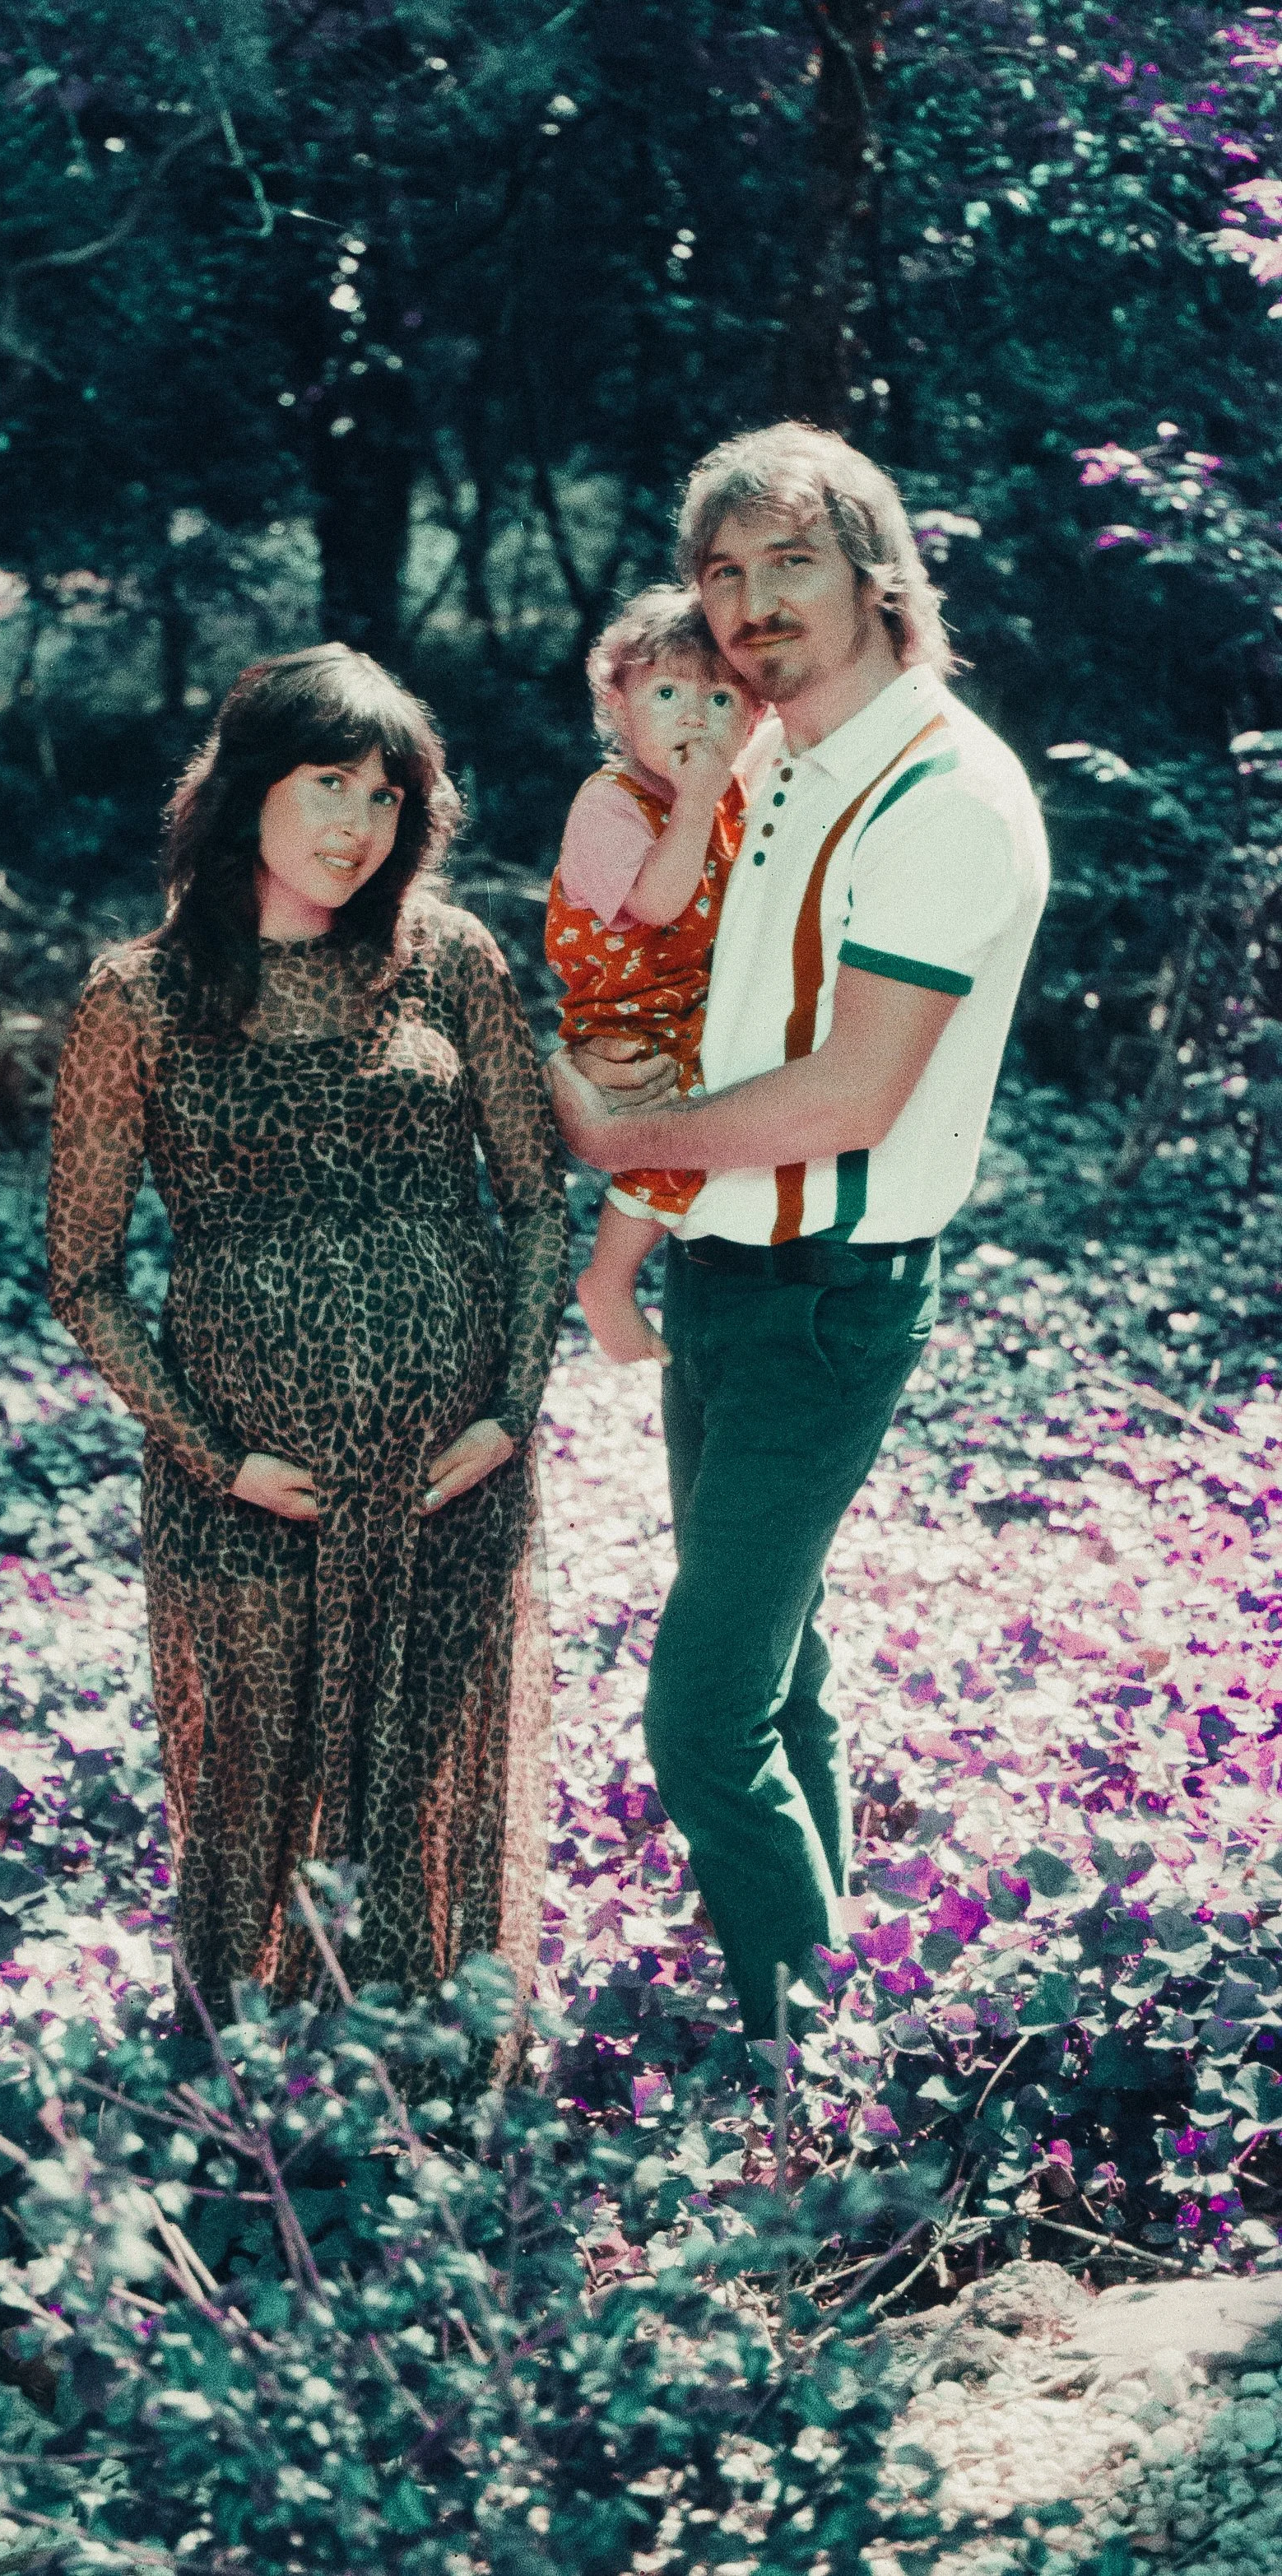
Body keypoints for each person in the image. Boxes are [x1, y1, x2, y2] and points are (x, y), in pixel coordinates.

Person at [548, 423, 1050, 2037]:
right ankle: (826, 2004)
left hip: (826, 1305)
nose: (750, 601)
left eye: (788, 562)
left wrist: (615, 1140)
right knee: (780, 1670)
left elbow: (843, 1094)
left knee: (698, 1718)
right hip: (723, 1276)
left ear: (874, 576)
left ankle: (806, 2062)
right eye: (721, 570)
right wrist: (632, 1230)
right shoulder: (766, 761)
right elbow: (699, 1020)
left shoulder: (942, 797)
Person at [46, 644, 569, 2014]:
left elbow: (531, 1196)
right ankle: (245, 2096)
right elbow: (83, 1276)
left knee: (424, 1788)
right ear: (246, 792)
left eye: (388, 796)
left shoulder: (449, 958)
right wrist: (214, 1456)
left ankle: (425, 2086)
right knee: (249, 1793)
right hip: (250, 1497)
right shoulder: (138, 995)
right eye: (326, 783)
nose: (356, 825)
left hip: (450, 1477)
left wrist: (512, 1411)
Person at [546, 587, 757, 1364]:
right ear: (619, 703)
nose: (693, 716)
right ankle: (607, 1277)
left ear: (755, 719)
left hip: (689, 996)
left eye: (720, 697)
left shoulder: (727, 795)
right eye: (666, 692)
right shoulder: (609, 802)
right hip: (627, 1009)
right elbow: (660, 903)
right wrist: (698, 802)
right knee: (681, 1124)